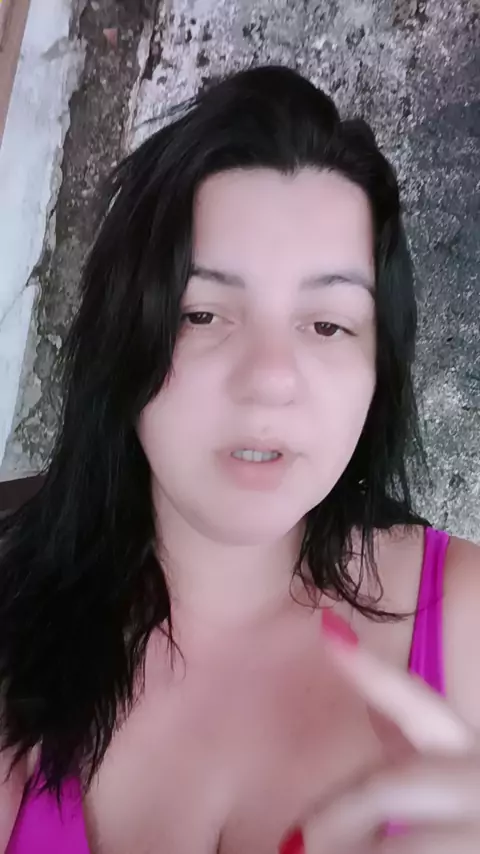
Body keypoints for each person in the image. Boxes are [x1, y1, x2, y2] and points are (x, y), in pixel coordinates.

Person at [0, 63, 478, 854]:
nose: (269, 380)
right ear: (123, 338)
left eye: (328, 325)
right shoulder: (16, 635)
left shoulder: (466, 620)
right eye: (203, 313)